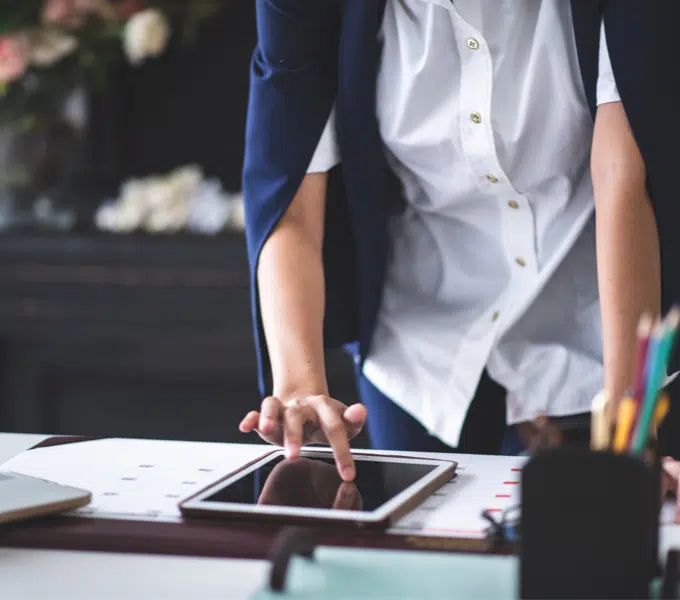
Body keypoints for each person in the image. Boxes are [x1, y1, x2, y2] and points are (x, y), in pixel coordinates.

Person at [239, 0, 679, 482]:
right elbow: (289, 182)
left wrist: (627, 431)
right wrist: (300, 385)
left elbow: (622, 180)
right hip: (420, 345)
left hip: (591, 332)